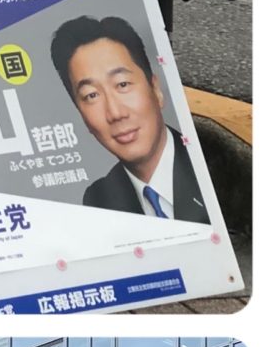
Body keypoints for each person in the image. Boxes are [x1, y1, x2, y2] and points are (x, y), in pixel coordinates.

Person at [50, 13, 210, 223]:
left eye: (123, 84)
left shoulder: (211, 164)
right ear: (81, 113)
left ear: (155, 88)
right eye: (91, 95)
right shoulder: (100, 199)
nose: (115, 113)